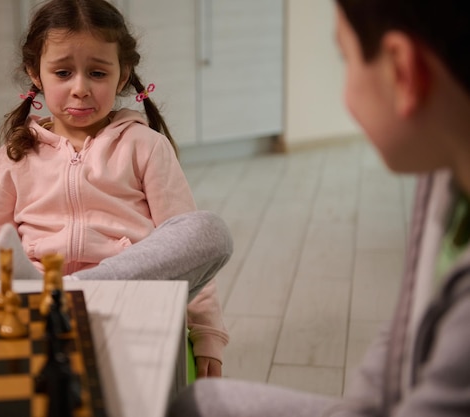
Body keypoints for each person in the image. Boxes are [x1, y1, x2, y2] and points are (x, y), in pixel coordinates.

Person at [167, 0, 470, 415]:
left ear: (403, 71)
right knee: (198, 402)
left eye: (344, 60)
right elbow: (407, 325)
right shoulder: (443, 174)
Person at [0, 0, 232, 378]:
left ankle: (70, 294)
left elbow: (183, 241)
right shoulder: (12, 157)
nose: (80, 89)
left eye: (97, 73)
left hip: (130, 298)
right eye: (63, 72)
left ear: (122, 75)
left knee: (210, 230)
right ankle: (59, 300)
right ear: (35, 73)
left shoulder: (144, 145)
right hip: (43, 309)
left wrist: (207, 332)